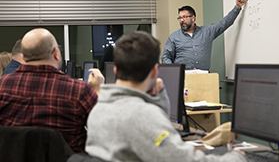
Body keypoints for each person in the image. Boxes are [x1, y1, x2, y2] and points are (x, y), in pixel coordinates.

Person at [85, 31, 246, 162]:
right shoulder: (142, 116)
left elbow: (161, 129)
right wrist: (236, 157)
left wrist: (159, 96)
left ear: (115, 70)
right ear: (156, 71)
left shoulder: (99, 108)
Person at [0, 28, 105, 153]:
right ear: (56, 53)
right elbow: (104, 129)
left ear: (23, 56)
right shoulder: (79, 91)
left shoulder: (2, 86)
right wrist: (97, 91)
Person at [161, 0, 248, 71]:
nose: (181, 20)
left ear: (193, 18)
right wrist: (175, 71)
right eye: (180, 18)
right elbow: (165, 57)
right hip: (183, 79)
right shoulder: (174, 37)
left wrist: (237, 7)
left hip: (204, 79)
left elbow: (224, 24)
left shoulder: (206, 32)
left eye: (184, 17)